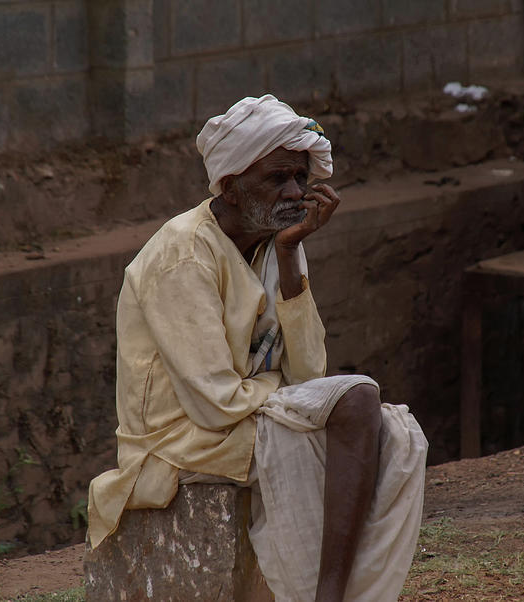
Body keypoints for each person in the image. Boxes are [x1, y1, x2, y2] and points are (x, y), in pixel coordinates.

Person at [87, 95, 427, 602]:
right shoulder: (183, 253)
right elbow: (214, 403)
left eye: (300, 177)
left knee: (393, 433)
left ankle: (339, 593)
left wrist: (290, 255)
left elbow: (310, 371)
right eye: (277, 179)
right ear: (229, 185)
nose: (295, 192)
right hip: (179, 441)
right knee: (357, 404)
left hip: (237, 421)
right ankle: (326, 595)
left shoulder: (277, 241)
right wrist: (280, 388)